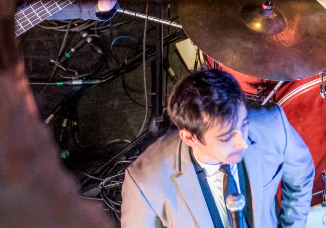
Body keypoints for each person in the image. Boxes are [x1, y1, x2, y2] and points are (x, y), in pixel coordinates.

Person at [121, 69, 315, 228]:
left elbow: (301, 175)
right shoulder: (145, 183)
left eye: (243, 124)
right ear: (189, 138)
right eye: (226, 137)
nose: (242, 143)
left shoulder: (272, 124)